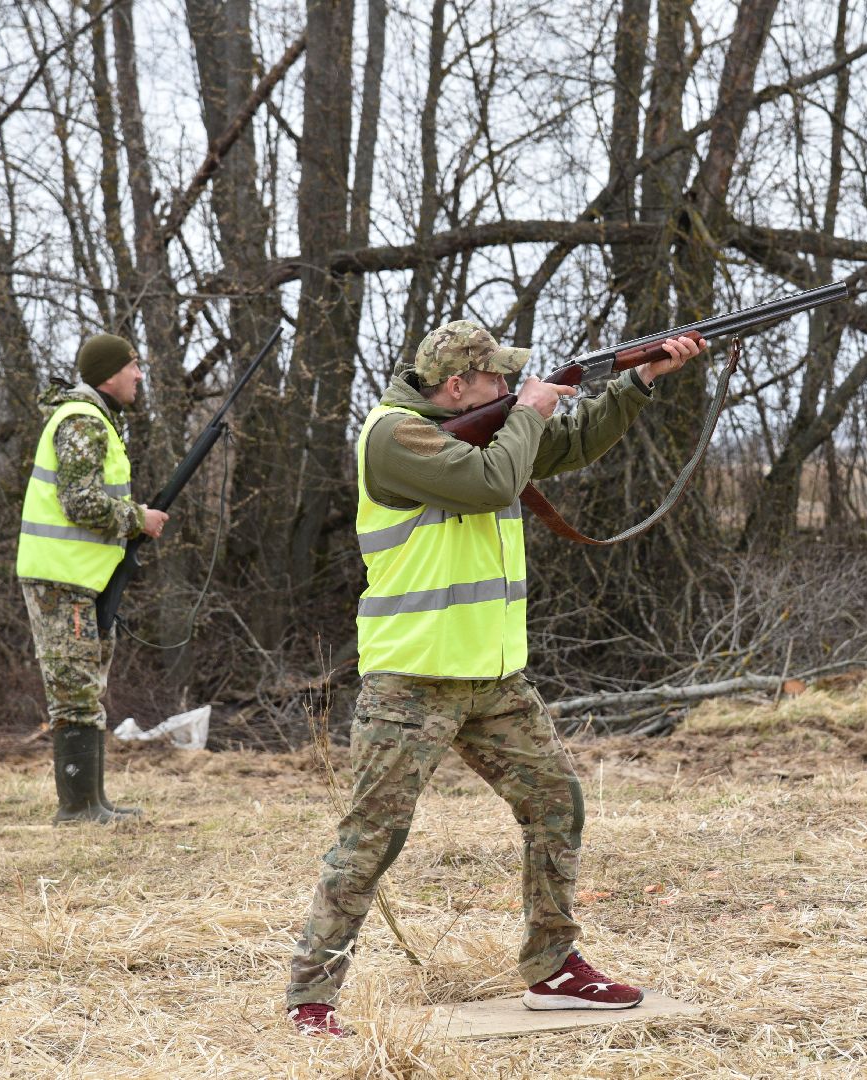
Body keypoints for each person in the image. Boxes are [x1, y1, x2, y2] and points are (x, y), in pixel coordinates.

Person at [286, 320, 707, 1035]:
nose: (511, 389)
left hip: (490, 676)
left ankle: (553, 967)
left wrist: (638, 382)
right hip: (412, 679)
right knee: (371, 839)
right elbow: (490, 483)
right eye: (497, 381)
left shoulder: (486, 428)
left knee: (555, 803)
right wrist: (532, 411)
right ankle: (311, 999)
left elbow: (568, 447)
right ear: (457, 387)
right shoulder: (394, 436)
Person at [16, 333, 169, 824]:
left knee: (84, 686)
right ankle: (78, 808)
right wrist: (136, 518)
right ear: (108, 374)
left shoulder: (96, 419)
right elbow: (78, 502)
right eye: (133, 367)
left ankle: (92, 803)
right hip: (62, 581)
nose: (140, 376)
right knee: (75, 689)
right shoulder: (83, 421)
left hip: (80, 579)